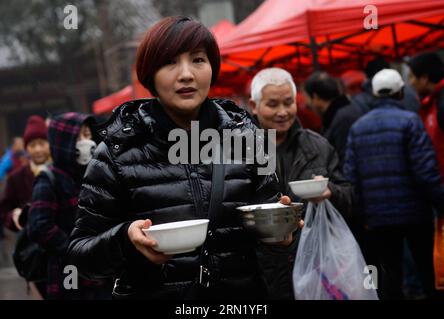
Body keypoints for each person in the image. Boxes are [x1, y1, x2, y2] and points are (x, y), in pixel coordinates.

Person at [67, 16, 298, 300]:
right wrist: (125, 239)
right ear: (150, 74)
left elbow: (268, 232)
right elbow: (81, 254)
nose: (186, 74)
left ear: (212, 69)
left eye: (198, 60)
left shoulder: (247, 138)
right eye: (170, 62)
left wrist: (280, 234)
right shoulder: (118, 151)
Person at [248, 67, 354, 299]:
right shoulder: (237, 152)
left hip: (315, 263)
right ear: (254, 106)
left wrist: (331, 191)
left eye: (288, 102)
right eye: (273, 104)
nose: (283, 112)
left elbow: (350, 198)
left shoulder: (317, 146)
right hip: (259, 270)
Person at [344, 69, 444, 299]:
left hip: (378, 219)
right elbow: (425, 170)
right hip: (416, 215)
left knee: (390, 274)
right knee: (427, 271)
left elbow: (351, 177)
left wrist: (362, 215)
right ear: (400, 93)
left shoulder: (358, 128)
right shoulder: (410, 121)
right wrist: (440, 202)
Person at [27, 112, 110, 299]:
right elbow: (40, 227)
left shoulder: (97, 174)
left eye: (87, 135)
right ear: (64, 141)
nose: (85, 141)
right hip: (68, 273)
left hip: (102, 273)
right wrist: (74, 248)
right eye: (79, 136)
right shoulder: (49, 179)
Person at [0, 116, 51, 232]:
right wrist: (14, 216)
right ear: (26, 149)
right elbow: (4, 210)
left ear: (49, 144)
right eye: (32, 145)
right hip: (29, 241)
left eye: (42, 143)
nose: (38, 149)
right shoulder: (16, 178)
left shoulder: (61, 170)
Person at [302, 72, 361, 167]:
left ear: (316, 97)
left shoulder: (344, 118)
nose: (307, 104)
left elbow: (345, 159)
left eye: (307, 98)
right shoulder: (337, 115)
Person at [407, 51, 444, 179]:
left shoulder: (441, 103)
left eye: (412, 77)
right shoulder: (431, 101)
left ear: (424, 78)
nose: (410, 83)